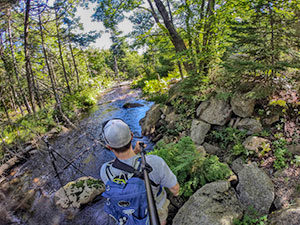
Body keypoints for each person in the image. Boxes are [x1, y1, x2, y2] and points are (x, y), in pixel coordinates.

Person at [100, 119, 180, 225]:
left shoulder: (105, 170)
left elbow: (123, 165)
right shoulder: (155, 162)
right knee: (161, 219)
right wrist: (176, 194)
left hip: (130, 214)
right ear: (132, 136)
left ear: (109, 147)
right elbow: (175, 189)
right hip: (155, 210)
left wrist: (135, 152)